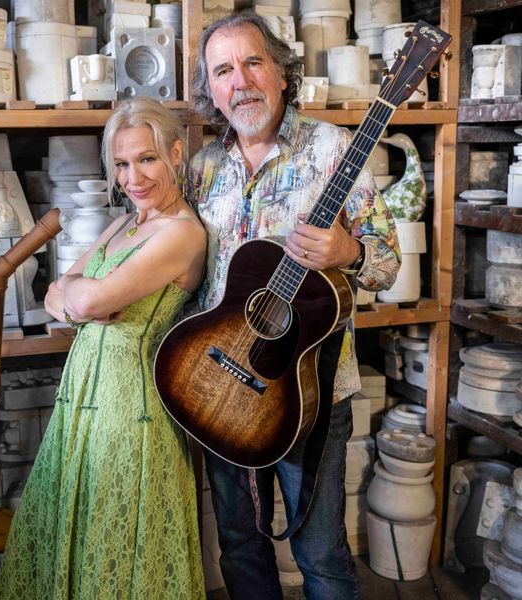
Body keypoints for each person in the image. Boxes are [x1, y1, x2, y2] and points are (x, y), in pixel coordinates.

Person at [187, 12, 401, 600]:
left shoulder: (335, 150)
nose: (240, 81)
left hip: (309, 392)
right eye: (223, 71)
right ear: (212, 91)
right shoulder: (202, 169)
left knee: (321, 551)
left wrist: (347, 250)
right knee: (238, 541)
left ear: (282, 73)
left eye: (253, 62)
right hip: (221, 382)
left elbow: (386, 264)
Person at [0, 96, 207, 600]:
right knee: (74, 523)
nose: (133, 177)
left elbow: (83, 297)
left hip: (130, 406)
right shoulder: (123, 224)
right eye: (122, 164)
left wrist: (80, 298)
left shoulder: (182, 233)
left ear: (176, 153)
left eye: (147, 159)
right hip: (82, 396)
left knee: (116, 538)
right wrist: (78, 300)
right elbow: (56, 293)